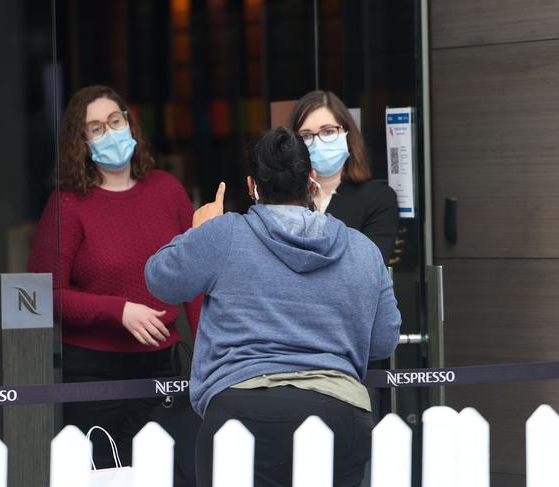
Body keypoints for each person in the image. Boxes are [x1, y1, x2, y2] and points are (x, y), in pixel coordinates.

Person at [145, 127, 401, 487]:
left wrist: (198, 231)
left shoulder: (224, 234)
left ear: (252, 186)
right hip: (340, 413)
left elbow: (160, 280)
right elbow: (383, 341)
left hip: (240, 413)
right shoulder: (362, 251)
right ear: (311, 180)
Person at [27, 85, 201, 480]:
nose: (109, 132)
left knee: (168, 476)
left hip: (163, 371)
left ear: (130, 123)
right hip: (93, 377)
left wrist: (209, 353)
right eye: (95, 128)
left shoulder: (167, 191)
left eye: (114, 121)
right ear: (82, 142)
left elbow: (195, 279)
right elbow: (45, 295)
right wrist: (117, 310)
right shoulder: (67, 204)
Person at [288, 90, 398, 263]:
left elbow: (368, 266)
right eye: (306, 135)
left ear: (347, 134)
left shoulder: (378, 199)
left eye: (328, 131)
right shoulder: (285, 199)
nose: (317, 142)